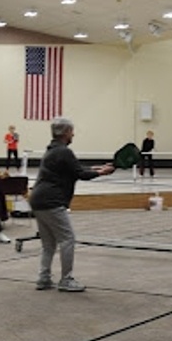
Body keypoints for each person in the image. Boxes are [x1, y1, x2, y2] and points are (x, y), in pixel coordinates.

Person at [29, 116, 114, 292]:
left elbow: (76, 169)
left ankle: (43, 278)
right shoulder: (64, 152)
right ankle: (66, 279)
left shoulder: (53, 150)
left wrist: (99, 168)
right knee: (68, 239)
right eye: (72, 131)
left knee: (48, 244)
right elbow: (80, 173)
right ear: (66, 132)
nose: (73, 133)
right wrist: (102, 173)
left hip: (38, 200)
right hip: (52, 201)